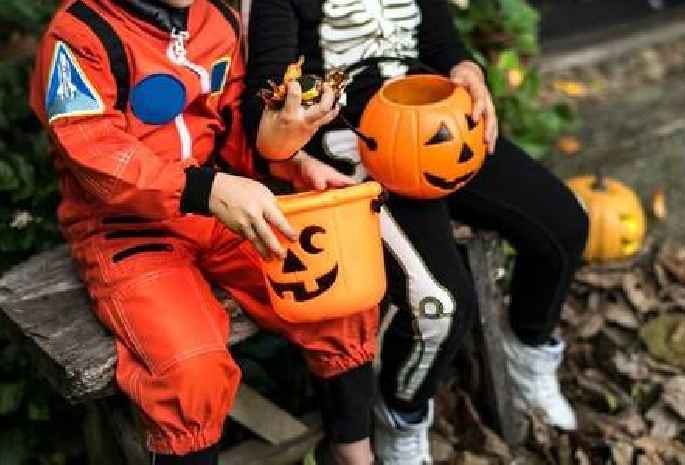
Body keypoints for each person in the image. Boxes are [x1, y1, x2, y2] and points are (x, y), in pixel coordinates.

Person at [30, 1, 379, 464]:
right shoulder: (80, 34)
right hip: (125, 227)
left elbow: (231, 121)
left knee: (333, 295)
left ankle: (353, 454)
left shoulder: (215, 16)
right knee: (189, 370)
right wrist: (203, 189)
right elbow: (95, 153)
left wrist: (288, 161)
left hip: (221, 204)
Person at [241, 1, 590, 464]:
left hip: (437, 122)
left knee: (563, 226)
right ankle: (402, 413)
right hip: (354, 141)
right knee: (439, 306)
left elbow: (442, 43)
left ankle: (528, 347)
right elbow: (265, 98)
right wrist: (291, 139)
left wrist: (467, 70)